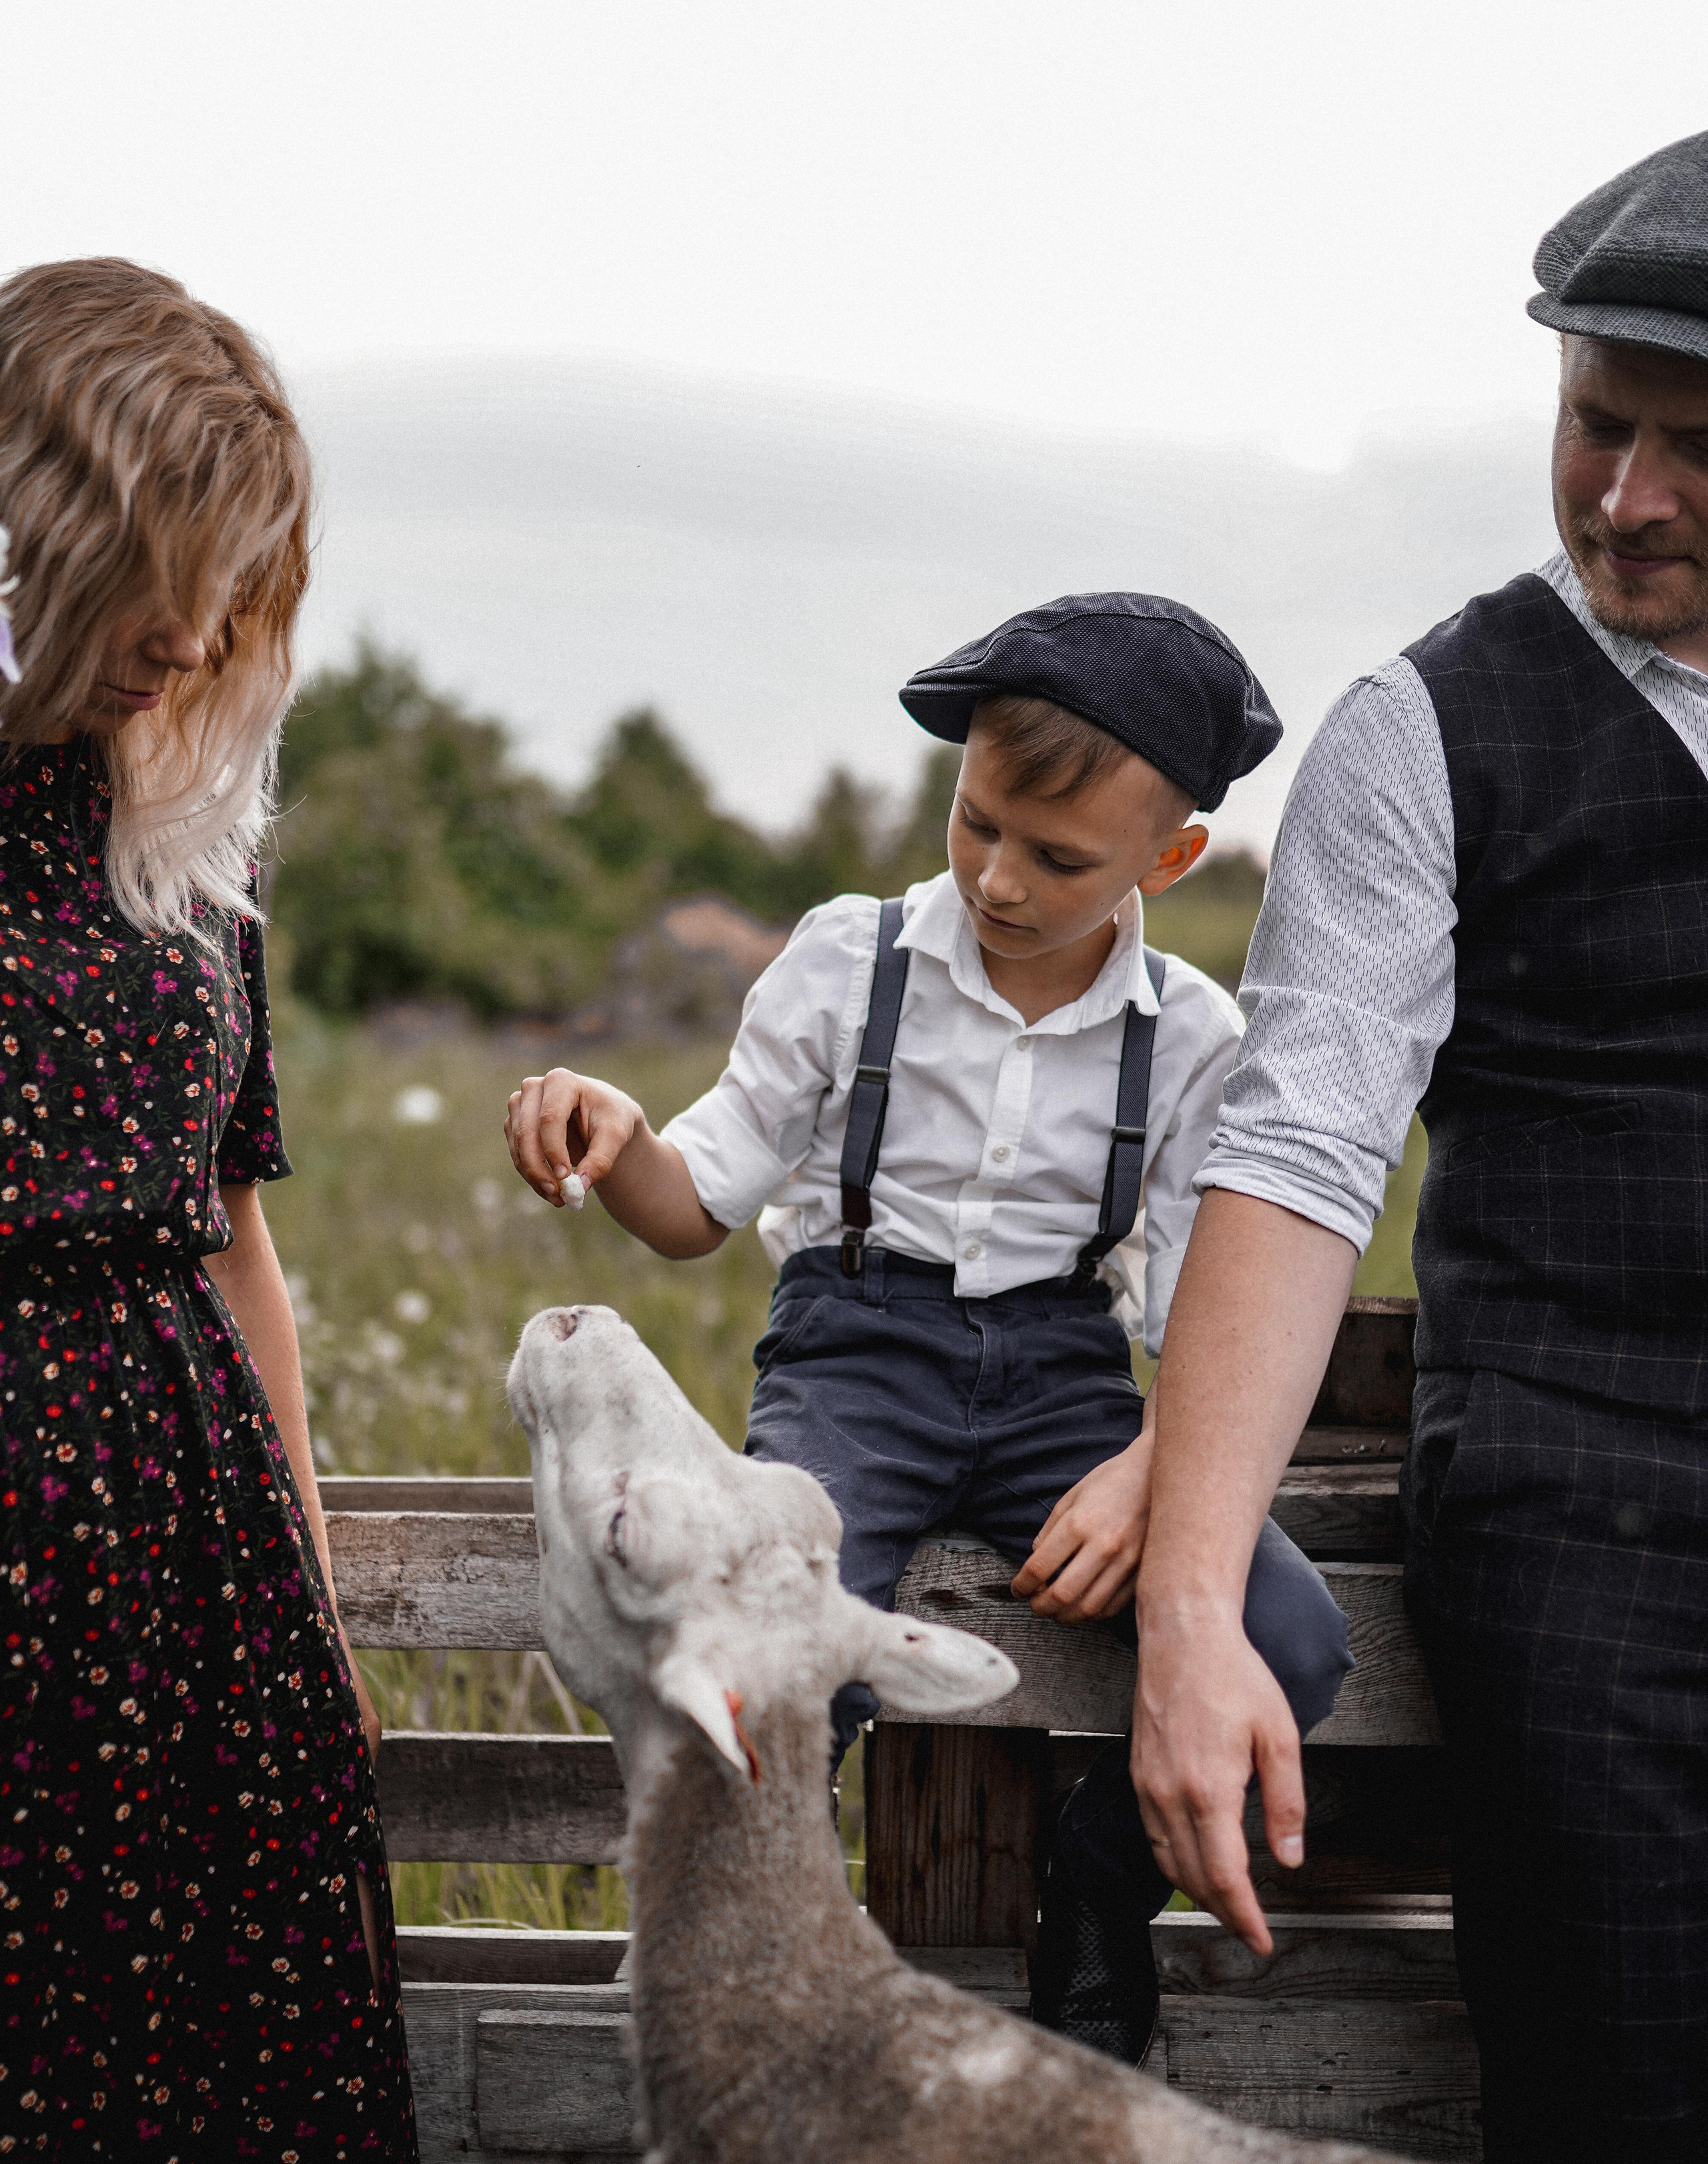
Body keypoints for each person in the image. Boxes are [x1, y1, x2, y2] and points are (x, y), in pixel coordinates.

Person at [506, 595, 1352, 2066]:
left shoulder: (1193, 1037)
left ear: (1167, 859)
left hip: (1065, 1387)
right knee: (778, 1638)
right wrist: (616, 1130)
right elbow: (695, 1199)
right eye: (975, 825)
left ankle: (1086, 1894)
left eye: (1056, 857)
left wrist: (1158, 1466)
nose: (998, 880)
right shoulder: (851, 962)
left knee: (1291, 1635)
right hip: (857, 1358)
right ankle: (752, 1949)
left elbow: (1197, 1317)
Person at [1132, 130, 1708, 2164]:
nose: (1625, 497)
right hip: (1589, 1538)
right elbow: (1296, 1157)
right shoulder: (1428, 727)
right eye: (1592, 425)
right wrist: (1195, 1598)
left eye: (1688, 447)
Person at [0, 261, 449, 2164]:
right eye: (155, 595)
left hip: (190, 1572)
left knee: (276, 2131)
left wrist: (310, 1607)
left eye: (225, 605)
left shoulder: (188, 843)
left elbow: (237, 1240)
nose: (188, 653)